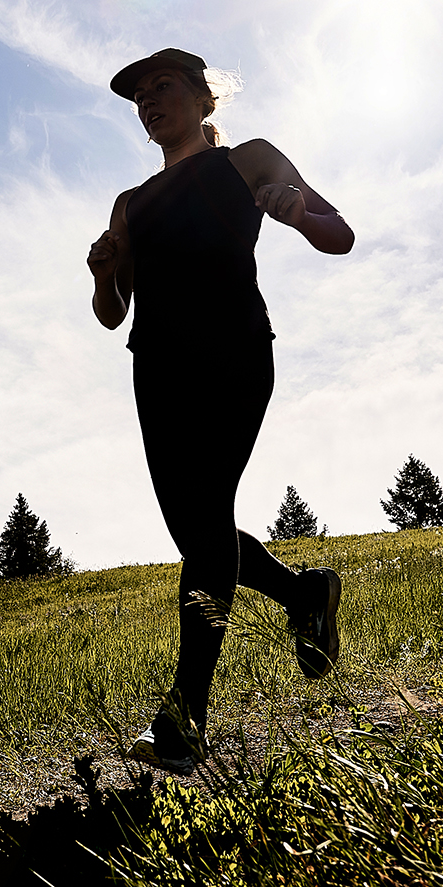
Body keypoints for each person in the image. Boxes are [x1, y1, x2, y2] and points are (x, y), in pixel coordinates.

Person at [86, 48, 354, 775]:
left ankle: (185, 717)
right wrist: (106, 275)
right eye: (138, 95)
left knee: (204, 524)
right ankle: (305, 592)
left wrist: (296, 211)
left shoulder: (247, 161)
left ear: (205, 98)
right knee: (198, 531)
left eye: (162, 86)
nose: (148, 100)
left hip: (235, 350)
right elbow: (113, 316)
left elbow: (339, 234)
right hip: (157, 368)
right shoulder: (130, 204)